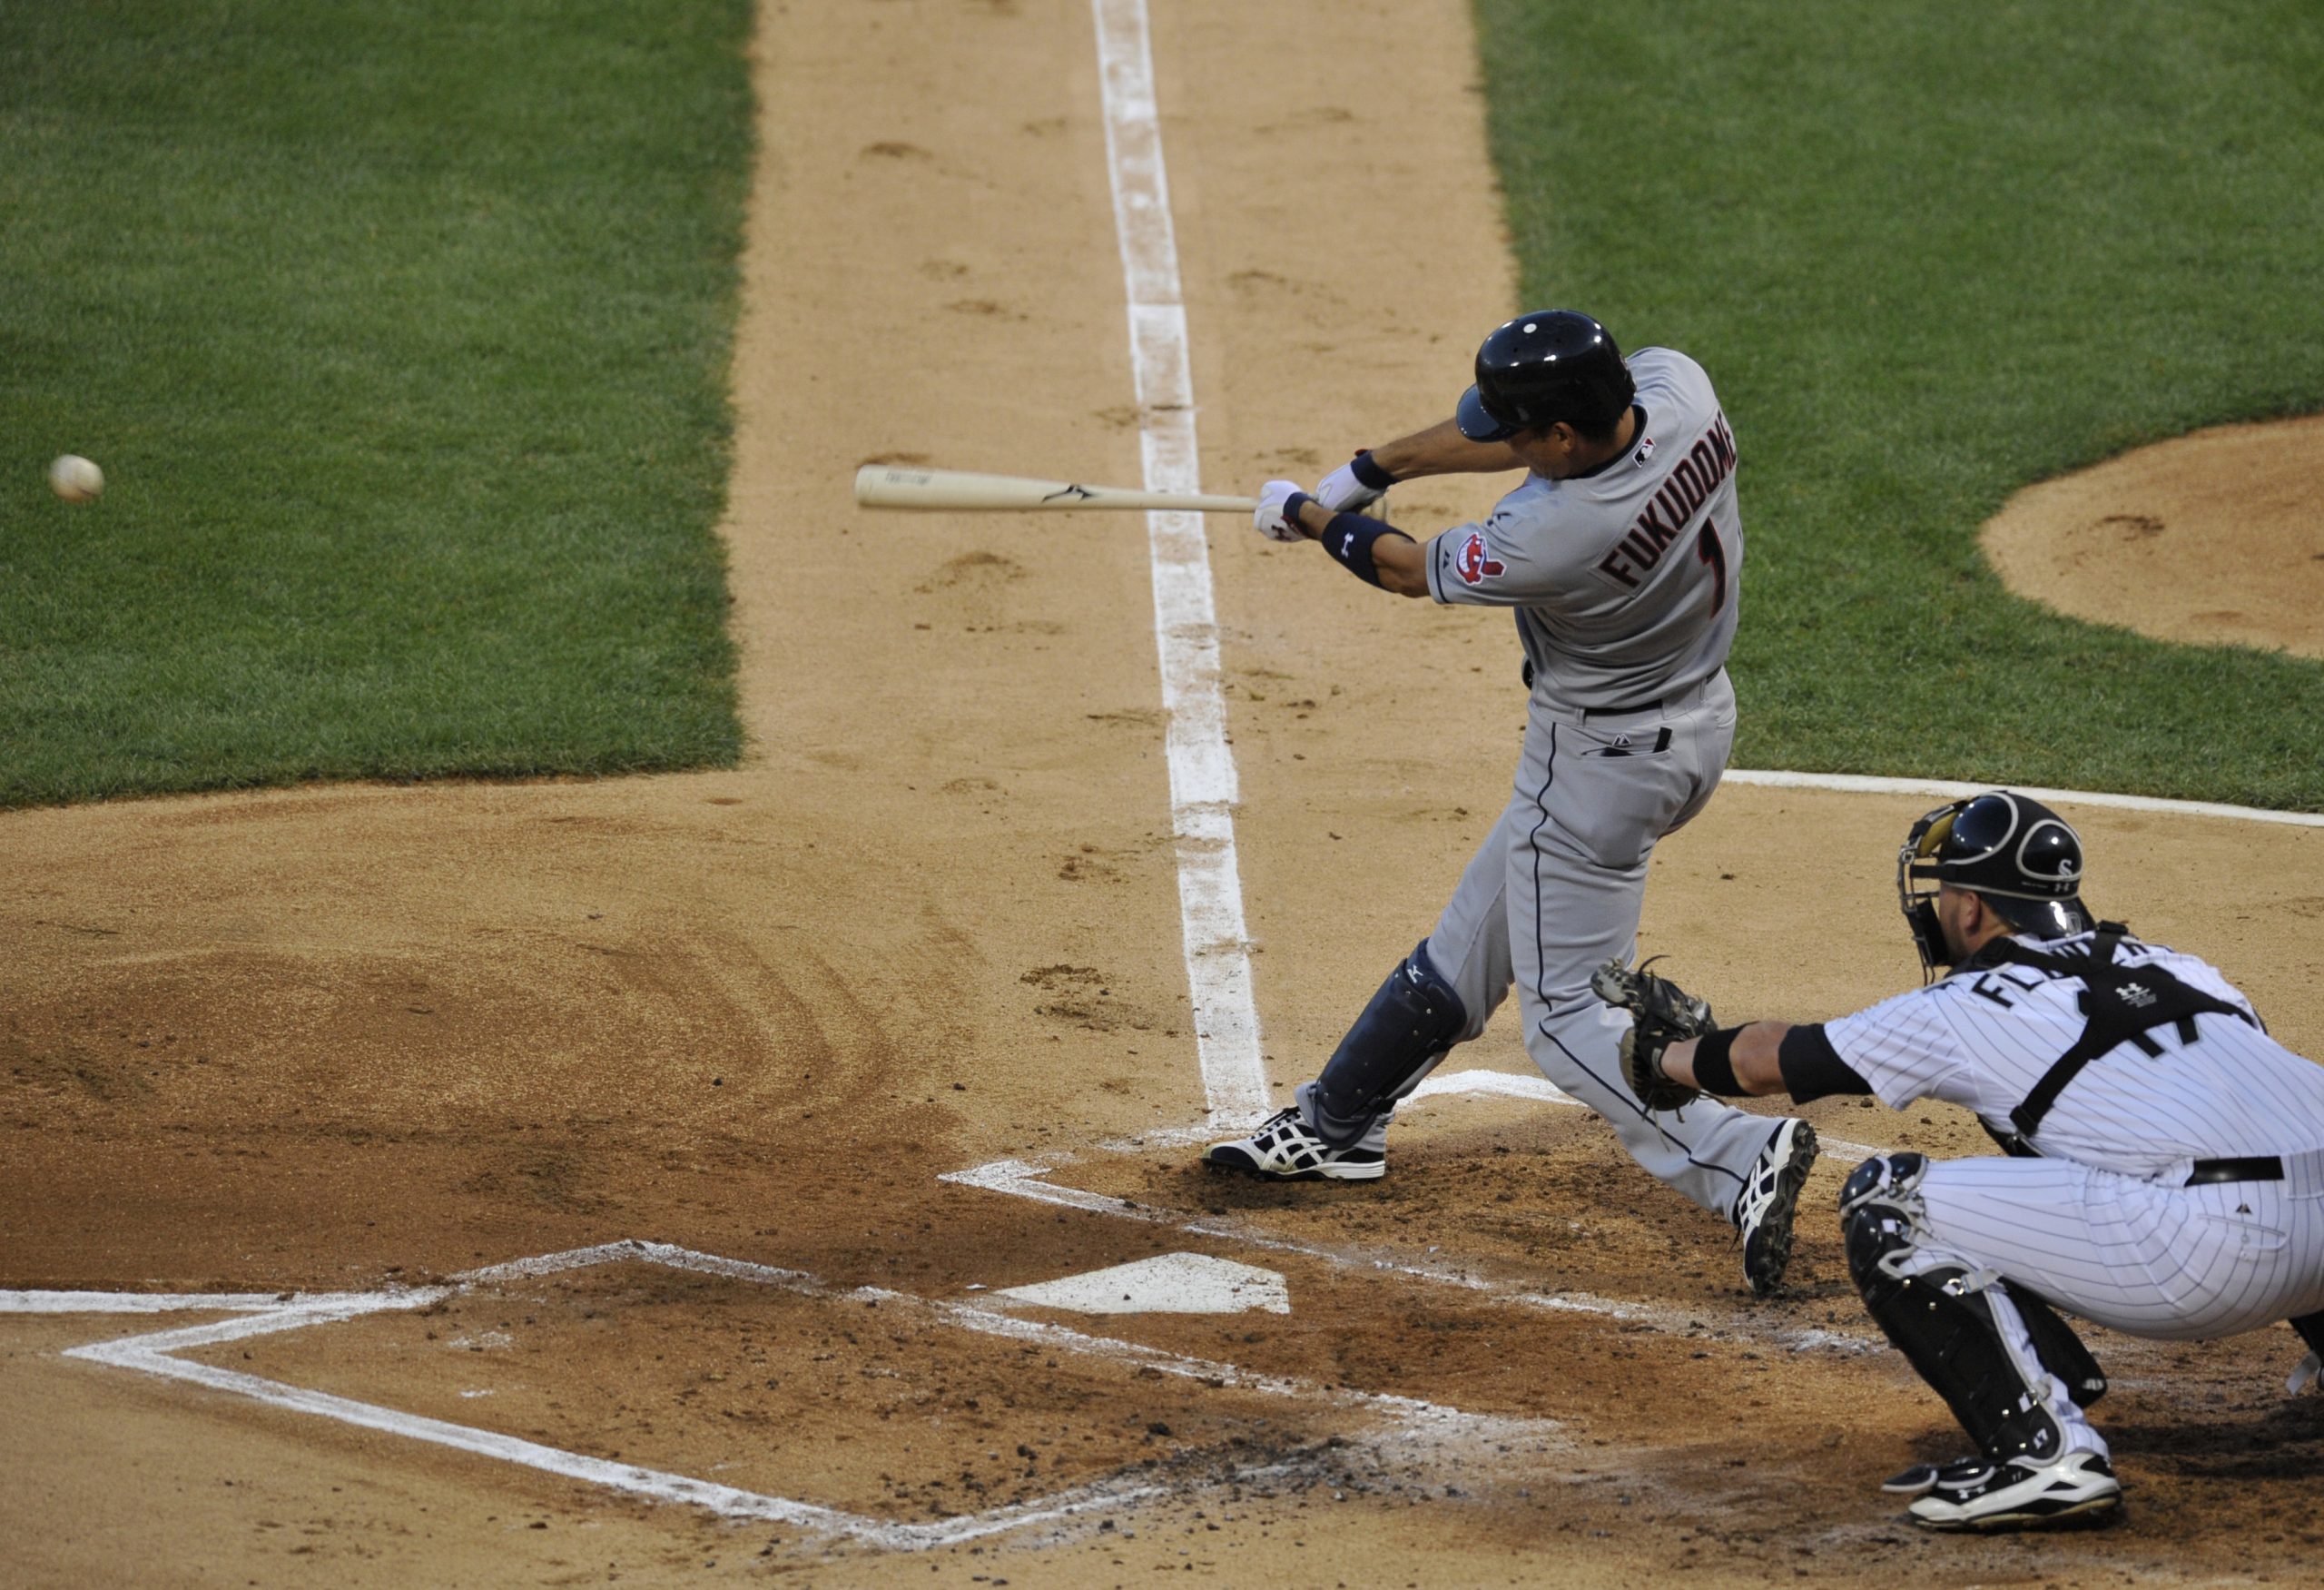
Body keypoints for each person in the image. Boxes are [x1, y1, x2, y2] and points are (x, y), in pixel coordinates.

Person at [1203, 309, 1818, 1298]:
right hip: (1695, 716)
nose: (1504, 444)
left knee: (1564, 1015)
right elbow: (1506, 440)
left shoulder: (1560, 531)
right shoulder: (1679, 391)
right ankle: (1337, 1123)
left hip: (1596, 763)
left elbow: (1405, 568)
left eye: (1522, 434)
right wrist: (1375, 466)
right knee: (1479, 929)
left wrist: (1310, 518)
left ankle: (1736, 1153)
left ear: (1562, 441)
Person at [1616, 790, 2324, 1530]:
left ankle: (2045, 1454)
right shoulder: (2185, 967)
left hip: (2212, 1259)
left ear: (1973, 909)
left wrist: (1668, 1055)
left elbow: (1775, 1061)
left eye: (1945, 887)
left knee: (1888, 1201)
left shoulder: (1968, 1001)